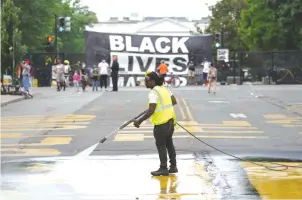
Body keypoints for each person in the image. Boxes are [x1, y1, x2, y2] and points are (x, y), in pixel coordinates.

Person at [133, 71, 178, 176]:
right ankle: (173, 166)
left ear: (153, 81)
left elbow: (151, 111)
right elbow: (174, 101)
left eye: (147, 81)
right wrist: (159, 105)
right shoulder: (165, 89)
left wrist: (138, 121)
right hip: (170, 122)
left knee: (161, 145)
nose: (145, 83)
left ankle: (163, 168)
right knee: (169, 144)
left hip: (161, 124)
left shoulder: (153, 93)